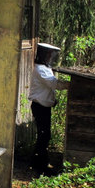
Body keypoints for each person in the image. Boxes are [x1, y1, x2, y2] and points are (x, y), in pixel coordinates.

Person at [28, 43, 69, 175]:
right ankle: (42, 164)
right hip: (40, 107)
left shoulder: (45, 68)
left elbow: (48, 88)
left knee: (44, 134)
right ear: (44, 54)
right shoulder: (41, 69)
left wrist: (52, 100)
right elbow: (54, 84)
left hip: (43, 106)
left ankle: (36, 161)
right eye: (50, 54)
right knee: (44, 135)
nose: (51, 57)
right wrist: (71, 84)